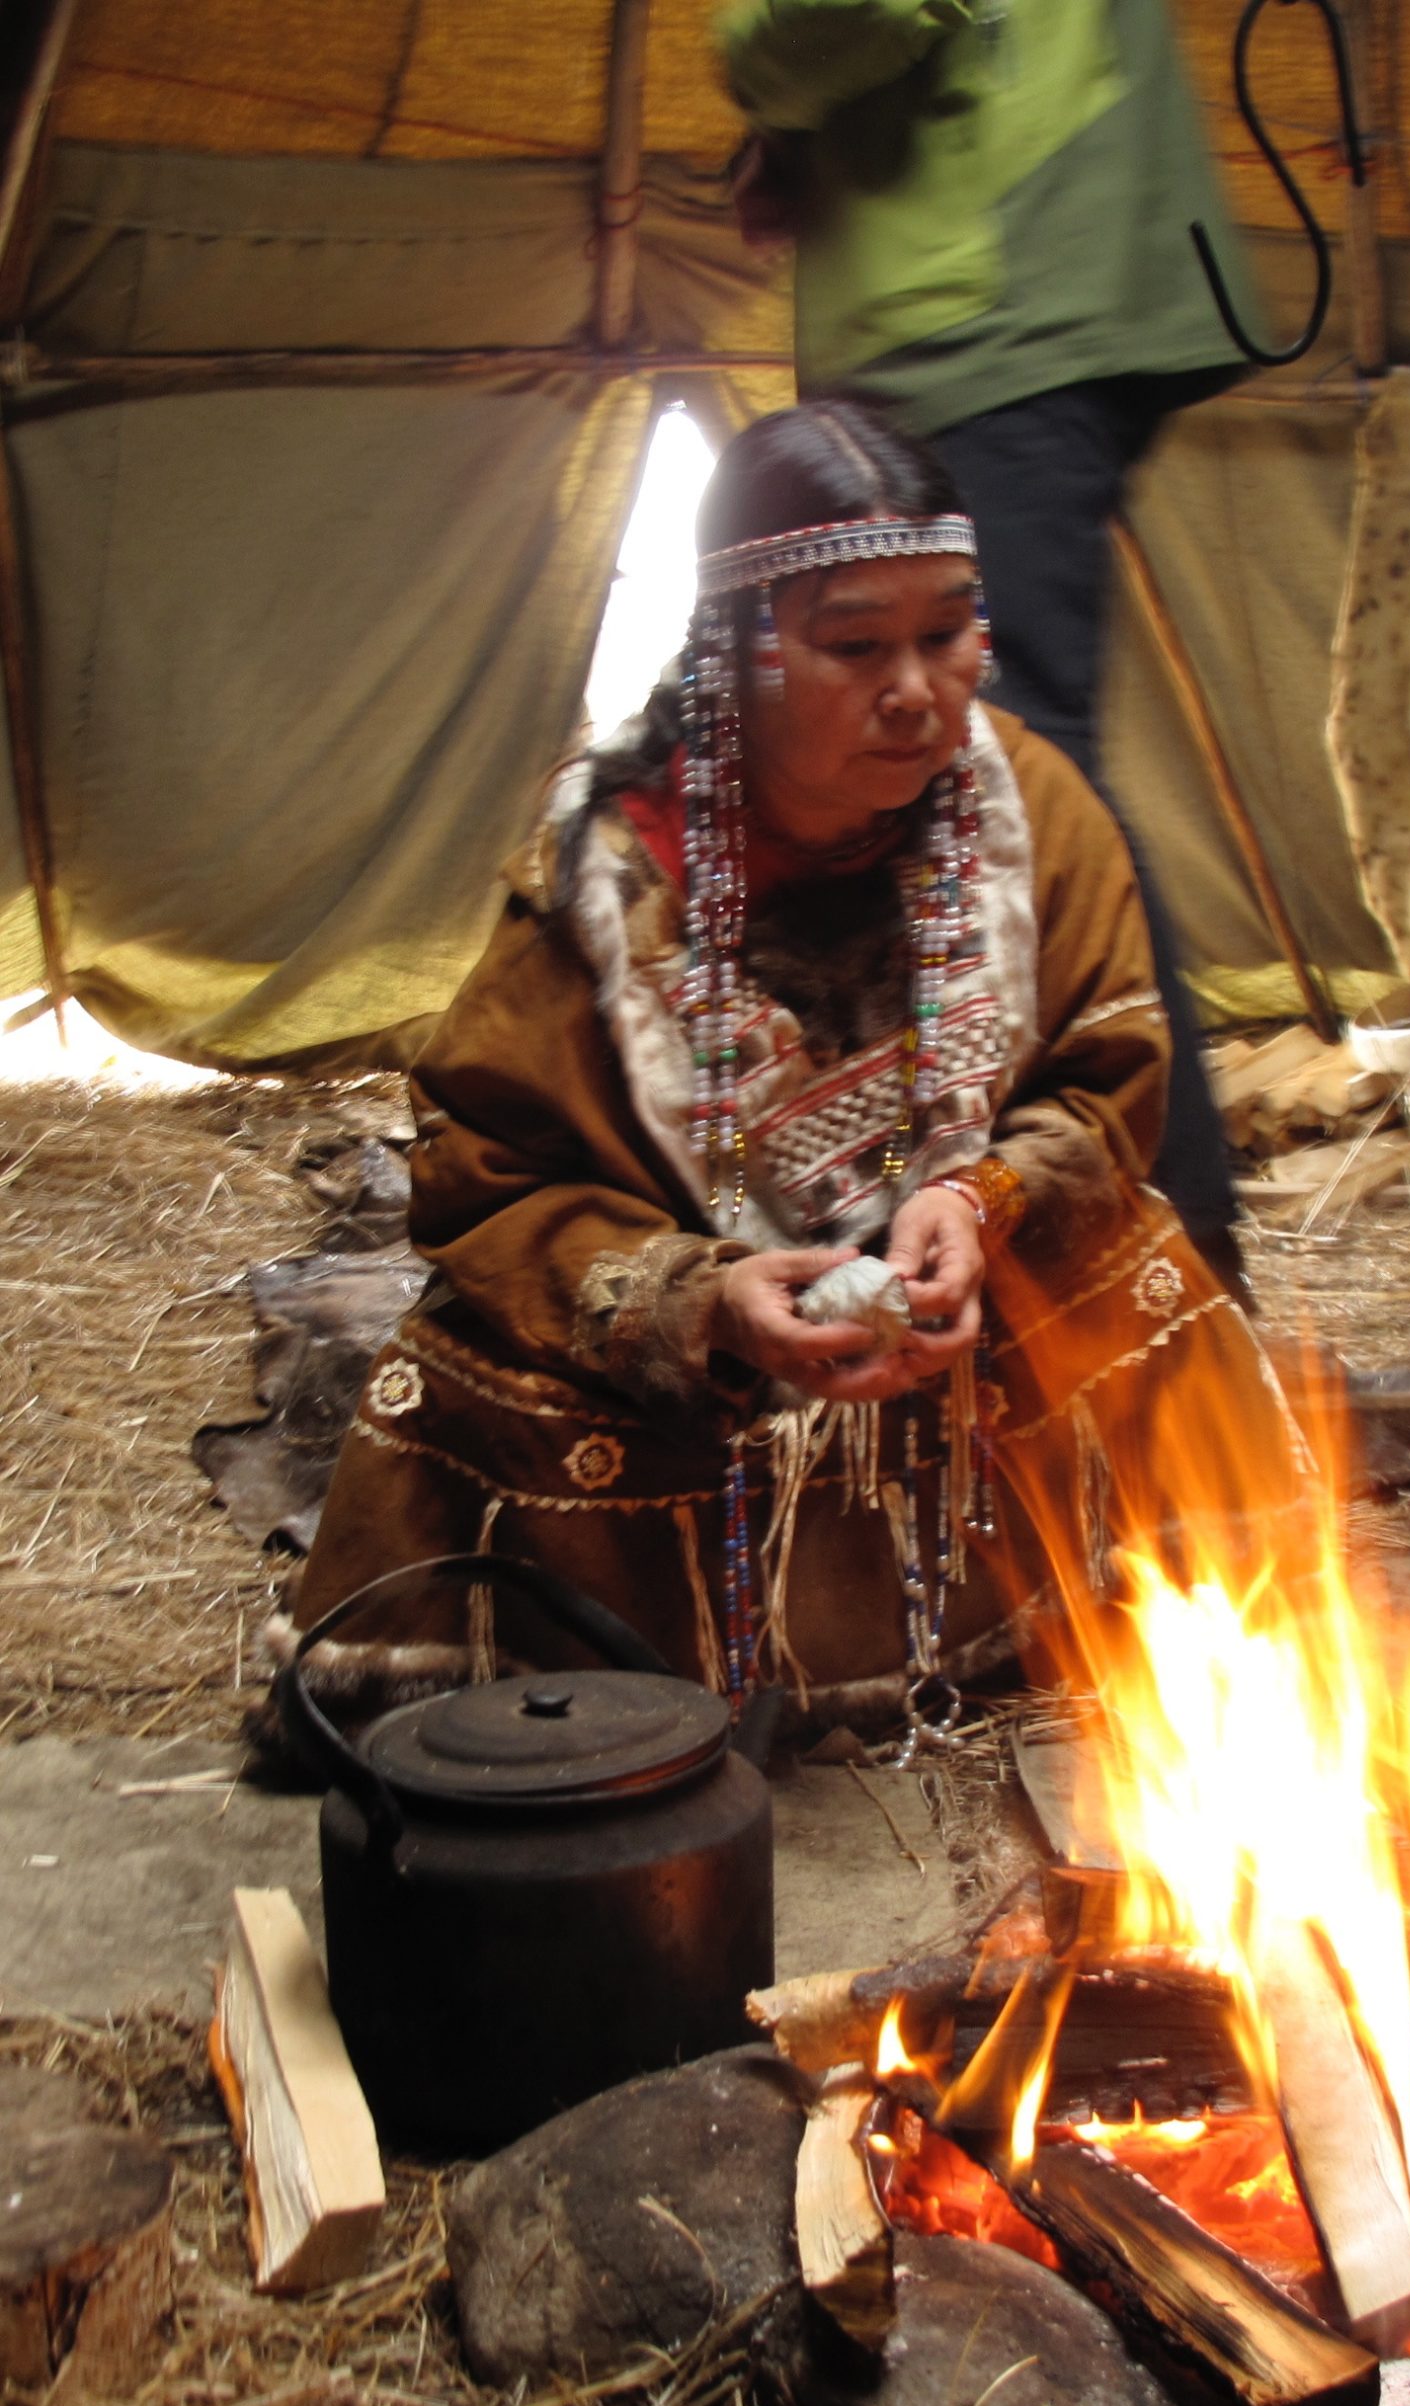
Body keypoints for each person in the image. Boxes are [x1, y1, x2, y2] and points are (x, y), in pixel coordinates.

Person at [281, 401, 1283, 1741]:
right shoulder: (605, 888)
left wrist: (980, 1201)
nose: (919, 688)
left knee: (1144, 1265)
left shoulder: (1023, 804)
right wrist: (699, 1303)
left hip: (963, 1300)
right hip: (720, 1361)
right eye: (856, 644)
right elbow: (488, 1180)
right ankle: (668, 1677)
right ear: (734, 657)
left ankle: (1050, 1613)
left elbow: (1110, 1075)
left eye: (950, 630)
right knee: (465, 1375)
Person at [713, 0, 1260, 1297]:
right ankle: (1049, 1261)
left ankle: (1171, 1289)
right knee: (979, 780)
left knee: (999, 779)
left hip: (983, 303)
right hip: (1039, 281)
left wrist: (767, 76)